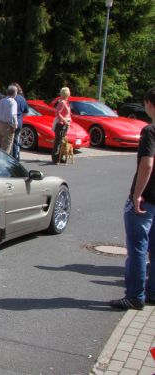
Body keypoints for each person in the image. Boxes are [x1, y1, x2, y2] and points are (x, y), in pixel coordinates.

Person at [110, 87, 155, 310]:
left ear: (148, 104)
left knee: (138, 248)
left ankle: (135, 295)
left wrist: (138, 195)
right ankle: (153, 291)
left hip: (147, 199)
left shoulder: (150, 131)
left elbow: (147, 163)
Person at [0, 85, 18, 153]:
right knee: (6, 148)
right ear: (14, 93)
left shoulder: (1, 101)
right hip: (7, 126)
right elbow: (13, 115)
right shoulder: (13, 102)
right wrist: (14, 126)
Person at [51, 87, 72, 163]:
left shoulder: (66, 102)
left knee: (62, 141)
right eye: (69, 92)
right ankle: (55, 158)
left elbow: (67, 113)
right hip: (61, 124)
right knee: (58, 141)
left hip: (65, 124)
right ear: (66, 93)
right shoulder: (62, 102)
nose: (70, 93)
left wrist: (68, 121)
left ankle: (60, 157)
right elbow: (57, 113)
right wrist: (64, 120)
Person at [11, 83, 29, 160]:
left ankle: (13, 158)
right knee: (16, 140)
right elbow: (26, 111)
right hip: (19, 122)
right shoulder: (22, 99)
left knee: (10, 141)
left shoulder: (11, 98)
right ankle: (17, 157)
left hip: (11, 122)